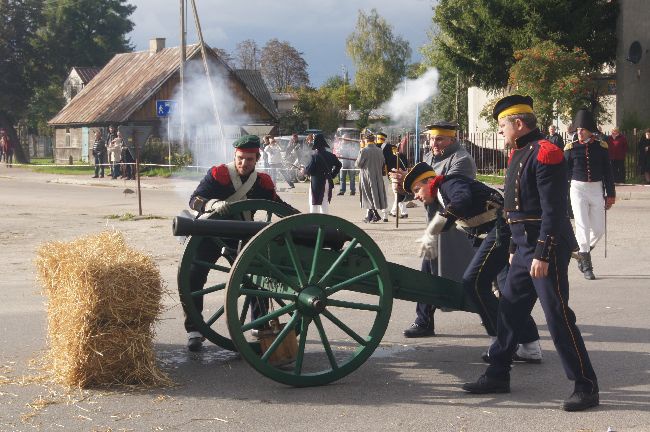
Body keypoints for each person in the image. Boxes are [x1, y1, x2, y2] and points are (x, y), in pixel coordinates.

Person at [462, 95, 599, 412]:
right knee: (509, 310)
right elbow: (515, 210)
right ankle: (497, 374)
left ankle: (586, 385)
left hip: (544, 246)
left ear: (518, 124)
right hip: (524, 248)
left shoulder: (546, 153)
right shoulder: (520, 153)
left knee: (558, 316)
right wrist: (513, 249)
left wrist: (542, 253)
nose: (500, 131)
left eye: (502, 125)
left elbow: (553, 211)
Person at [403, 161, 542, 361]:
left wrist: (432, 230)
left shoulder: (449, 183)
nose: (416, 196)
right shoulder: (439, 194)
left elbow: (461, 200)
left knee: (475, 283)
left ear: (430, 181)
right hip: (489, 236)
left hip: (501, 232)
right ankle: (529, 347)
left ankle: (499, 342)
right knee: (506, 291)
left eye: (417, 189)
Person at [182, 135, 296, 351]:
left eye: (250, 159)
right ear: (234, 156)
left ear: (257, 159)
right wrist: (213, 203)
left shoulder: (262, 183)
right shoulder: (219, 174)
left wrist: (301, 220)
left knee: (256, 277)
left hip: (241, 235)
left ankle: (259, 324)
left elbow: (278, 206)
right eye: (241, 158)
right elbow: (195, 200)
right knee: (194, 275)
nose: (244, 163)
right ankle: (194, 329)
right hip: (210, 235)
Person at [390, 121, 477, 338]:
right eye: (431, 138)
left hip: (459, 228)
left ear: (452, 139)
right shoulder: (428, 158)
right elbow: (418, 191)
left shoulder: (462, 160)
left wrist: (414, 184)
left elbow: (452, 195)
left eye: (440, 139)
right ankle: (424, 320)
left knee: (475, 276)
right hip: (436, 228)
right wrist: (402, 186)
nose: (434, 143)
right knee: (427, 275)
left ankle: (495, 314)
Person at [564, 110, 616, 280]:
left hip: (596, 189)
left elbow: (608, 172)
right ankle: (587, 264)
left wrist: (611, 194)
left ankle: (582, 252)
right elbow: (564, 173)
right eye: (578, 129)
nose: (579, 132)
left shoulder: (601, 148)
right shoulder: (570, 148)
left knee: (599, 230)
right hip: (577, 188)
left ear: (590, 130)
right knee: (582, 226)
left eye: (582, 129)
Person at [304, 133, 341, 214]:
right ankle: (324, 224)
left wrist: (303, 171)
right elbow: (339, 165)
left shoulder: (315, 156)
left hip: (317, 183)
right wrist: (333, 175)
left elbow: (309, 170)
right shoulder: (331, 155)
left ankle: (314, 222)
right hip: (328, 181)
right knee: (324, 203)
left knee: (313, 203)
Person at [356, 133, 389, 223]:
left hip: (367, 175)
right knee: (373, 195)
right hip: (377, 175)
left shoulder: (364, 150)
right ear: (374, 140)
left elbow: (358, 164)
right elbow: (383, 162)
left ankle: (374, 214)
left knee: (367, 195)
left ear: (366, 140)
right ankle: (372, 215)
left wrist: (360, 150)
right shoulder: (379, 150)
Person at [380, 133, 409, 218]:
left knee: (398, 194)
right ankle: (397, 212)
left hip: (397, 176)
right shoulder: (401, 156)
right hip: (403, 174)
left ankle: (401, 212)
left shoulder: (394, 157)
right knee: (398, 195)